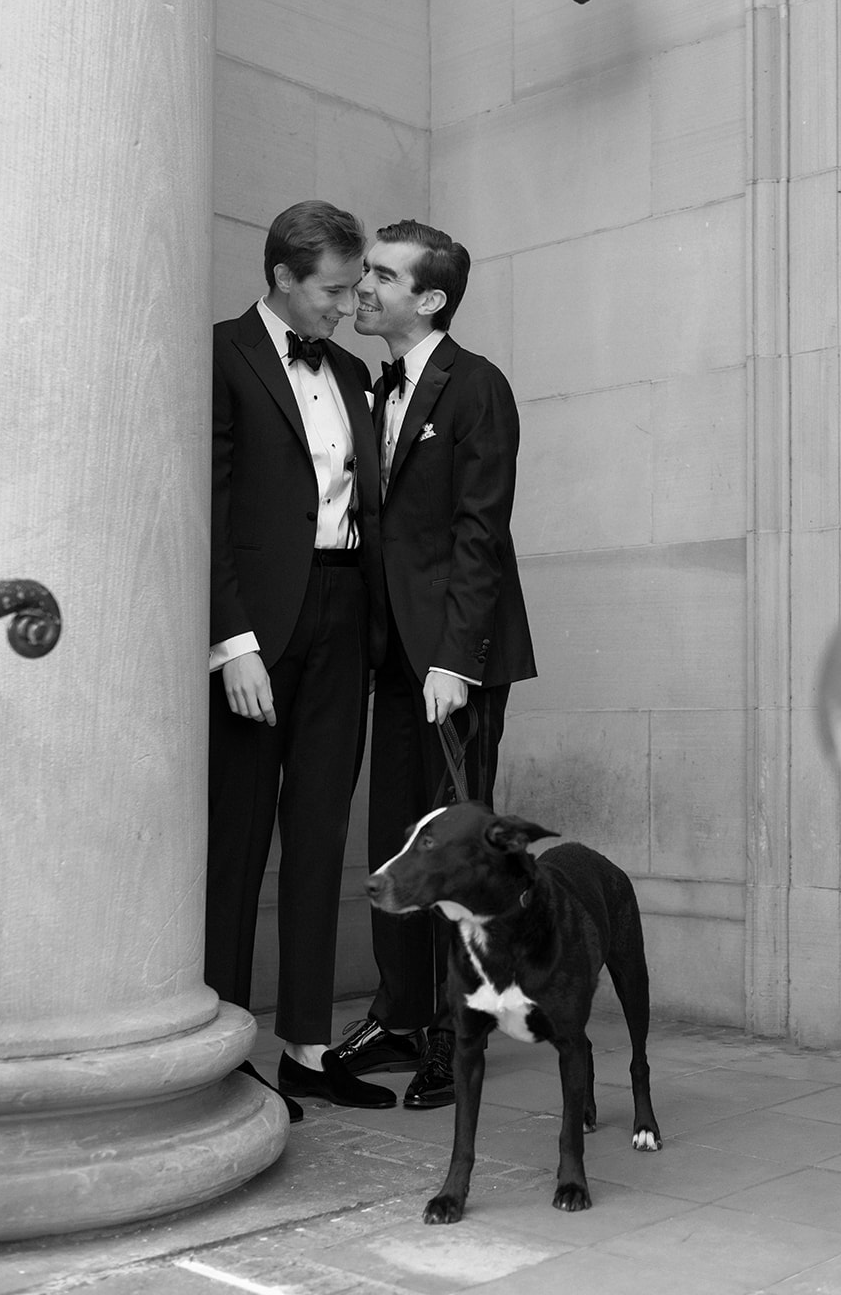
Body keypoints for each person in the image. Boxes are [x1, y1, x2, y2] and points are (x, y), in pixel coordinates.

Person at [331, 219, 537, 1108]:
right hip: (390, 657)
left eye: (381, 274)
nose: (362, 286)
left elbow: (479, 535)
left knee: (454, 858)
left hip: (453, 663)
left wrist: (454, 661)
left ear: (430, 299)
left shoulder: (476, 387)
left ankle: (459, 1032)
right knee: (394, 846)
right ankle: (401, 1009)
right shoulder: (371, 388)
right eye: (364, 271)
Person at [206, 200, 394, 1116]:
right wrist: (230, 643)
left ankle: (308, 1049)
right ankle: (224, 1044)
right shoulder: (220, 354)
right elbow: (206, 510)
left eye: (355, 285)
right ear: (282, 276)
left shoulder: (353, 370)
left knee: (321, 835)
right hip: (257, 632)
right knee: (238, 845)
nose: (344, 303)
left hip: (343, 611)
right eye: (332, 288)